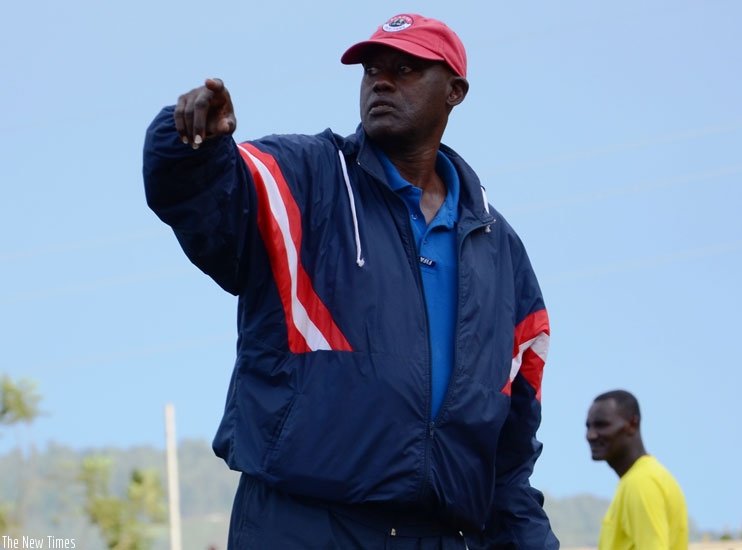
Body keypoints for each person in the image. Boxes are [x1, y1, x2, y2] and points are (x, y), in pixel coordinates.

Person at [143, 13, 559, 550]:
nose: (381, 81)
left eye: (405, 69)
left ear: (455, 91)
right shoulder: (307, 175)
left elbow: (509, 450)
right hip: (302, 526)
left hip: (440, 536)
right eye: (371, 69)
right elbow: (208, 199)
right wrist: (189, 142)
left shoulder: (500, 250)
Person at [585, 389, 688, 549]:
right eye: (589, 426)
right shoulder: (646, 477)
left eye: (602, 425)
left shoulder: (641, 483)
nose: (591, 435)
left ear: (632, 424)